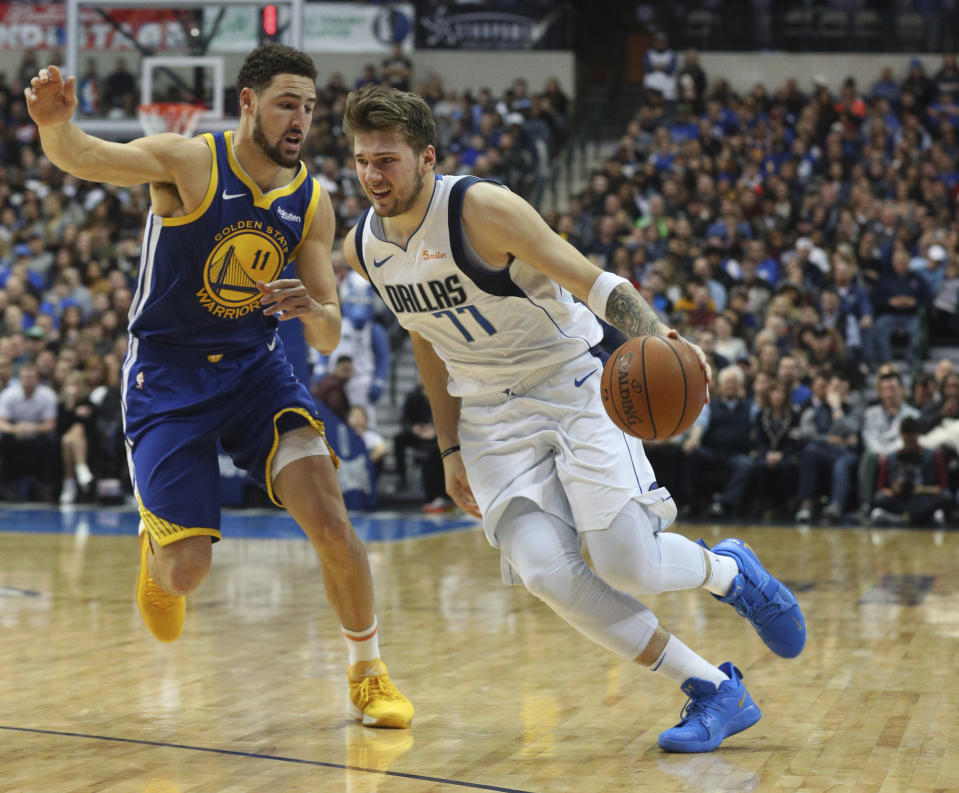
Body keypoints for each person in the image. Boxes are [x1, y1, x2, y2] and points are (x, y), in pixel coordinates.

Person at [341, 84, 805, 753]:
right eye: (361, 159)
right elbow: (424, 336)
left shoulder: (479, 209)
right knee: (543, 571)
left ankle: (730, 572)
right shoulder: (367, 247)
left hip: (571, 382)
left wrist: (665, 336)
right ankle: (713, 687)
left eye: (385, 159)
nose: (371, 174)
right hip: (488, 416)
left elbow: (594, 281)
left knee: (630, 564)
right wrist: (448, 450)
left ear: (426, 158)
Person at [25, 48, 412, 728]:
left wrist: (312, 309)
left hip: (254, 369)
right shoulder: (190, 161)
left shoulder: (311, 201)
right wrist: (56, 127)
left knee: (330, 519)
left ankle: (369, 672)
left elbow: (325, 335)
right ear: (247, 104)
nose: (300, 119)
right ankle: (156, 553)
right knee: (185, 574)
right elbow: (87, 157)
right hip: (167, 373)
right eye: (287, 103)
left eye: (309, 107)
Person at [869, 417, 952, 528]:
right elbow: (880, 489)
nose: (909, 444)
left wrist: (922, 489)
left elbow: (943, 487)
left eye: (912, 441)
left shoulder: (933, 456)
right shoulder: (890, 458)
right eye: (906, 441)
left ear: (918, 436)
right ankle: (924, 517)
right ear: (901, 437)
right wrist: (893, 490)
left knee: (945, 496)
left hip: (923, 497)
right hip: (900, 499)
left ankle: (899, 518)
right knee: (880, 497)